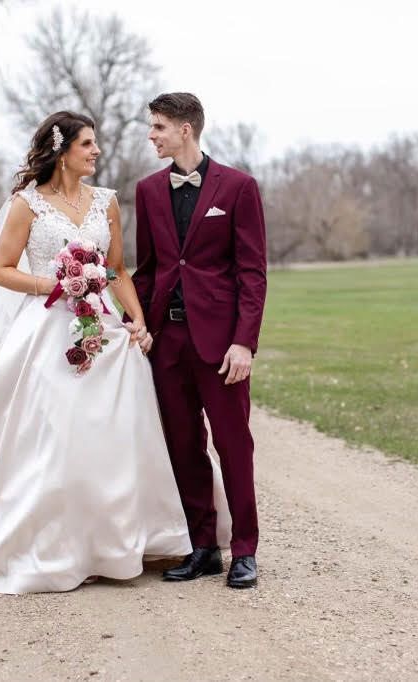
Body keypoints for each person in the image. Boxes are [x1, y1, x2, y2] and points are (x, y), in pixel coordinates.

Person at [0, 111, 229, 595]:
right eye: (87, 144)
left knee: (116, 434)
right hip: (47, 327)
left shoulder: (107, 203)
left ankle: (118, 540)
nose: (96, 151)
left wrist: (138, 321)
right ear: (62, 152)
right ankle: (54, 543)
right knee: (56, 432)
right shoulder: (28, 205)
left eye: (95, 143)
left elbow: (120, 269)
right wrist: (54, 284)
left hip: (102, 326)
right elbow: (1, 268)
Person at [133, 93, 267, 589]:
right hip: (167, 341)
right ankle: (203, 547)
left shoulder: (238, 188)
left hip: (221, 346)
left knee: (235, 446)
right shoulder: (147, 191)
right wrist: (140, 326)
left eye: (159, 126)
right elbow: (148, 271)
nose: (152, 135)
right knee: (183, 445)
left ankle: (246, 550)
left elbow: (253, 273)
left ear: (186, 129)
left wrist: (244, 343)